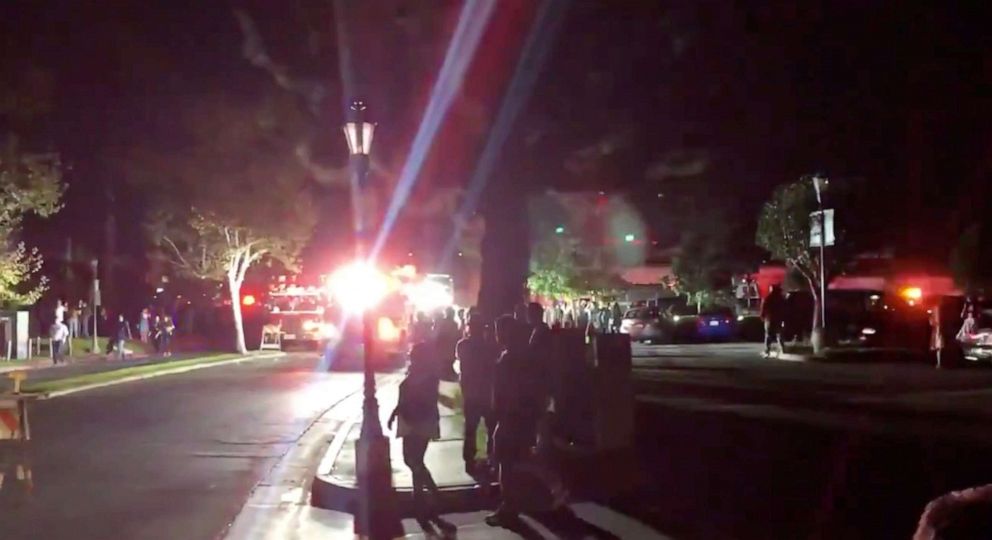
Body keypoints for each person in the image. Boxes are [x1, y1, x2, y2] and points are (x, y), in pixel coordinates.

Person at [486, 316, 567, 527]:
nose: (497, 335)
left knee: (506, 460)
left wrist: (502, 411)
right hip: (522, 417)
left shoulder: (509, 359)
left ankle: (513, 505)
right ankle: (513, 504)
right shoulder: (526, 357)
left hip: (512, 418)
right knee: (515, 461)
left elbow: (506, 393)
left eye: (499, 331)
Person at [387, 343, 450, 530]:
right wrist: (395, 413)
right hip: (410, 421)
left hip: (419, 422)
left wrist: (408, 416)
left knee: (414, 461)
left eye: (414, 354)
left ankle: (427, 497)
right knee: (413, 462)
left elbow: (425, 401)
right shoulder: (415, 373)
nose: (411, 356)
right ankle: (425, 499)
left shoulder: (429, 377)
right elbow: (405, 397)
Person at [456, 317, 498, 475]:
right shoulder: (489, 347)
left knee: (470, 429)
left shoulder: (463, 345)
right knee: (491, 427)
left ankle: (469, 459)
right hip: (487, 393)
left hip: (471, 393)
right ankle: (492, 456)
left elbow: (462, 363)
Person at [433, 307, 460, 380]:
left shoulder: (453, 324)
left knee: (447, 364)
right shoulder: (445, 323)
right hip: (445, 350)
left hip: (448, 350)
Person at [760, 285, 786, 357]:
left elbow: (764, 307)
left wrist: (762, 315)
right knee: (779, 334)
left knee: (768, 334)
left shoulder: (768, 298)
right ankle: (782, 348)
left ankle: (767, 350)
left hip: (770, 319)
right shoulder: (780, 298)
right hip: (778, 318)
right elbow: (784, 308)